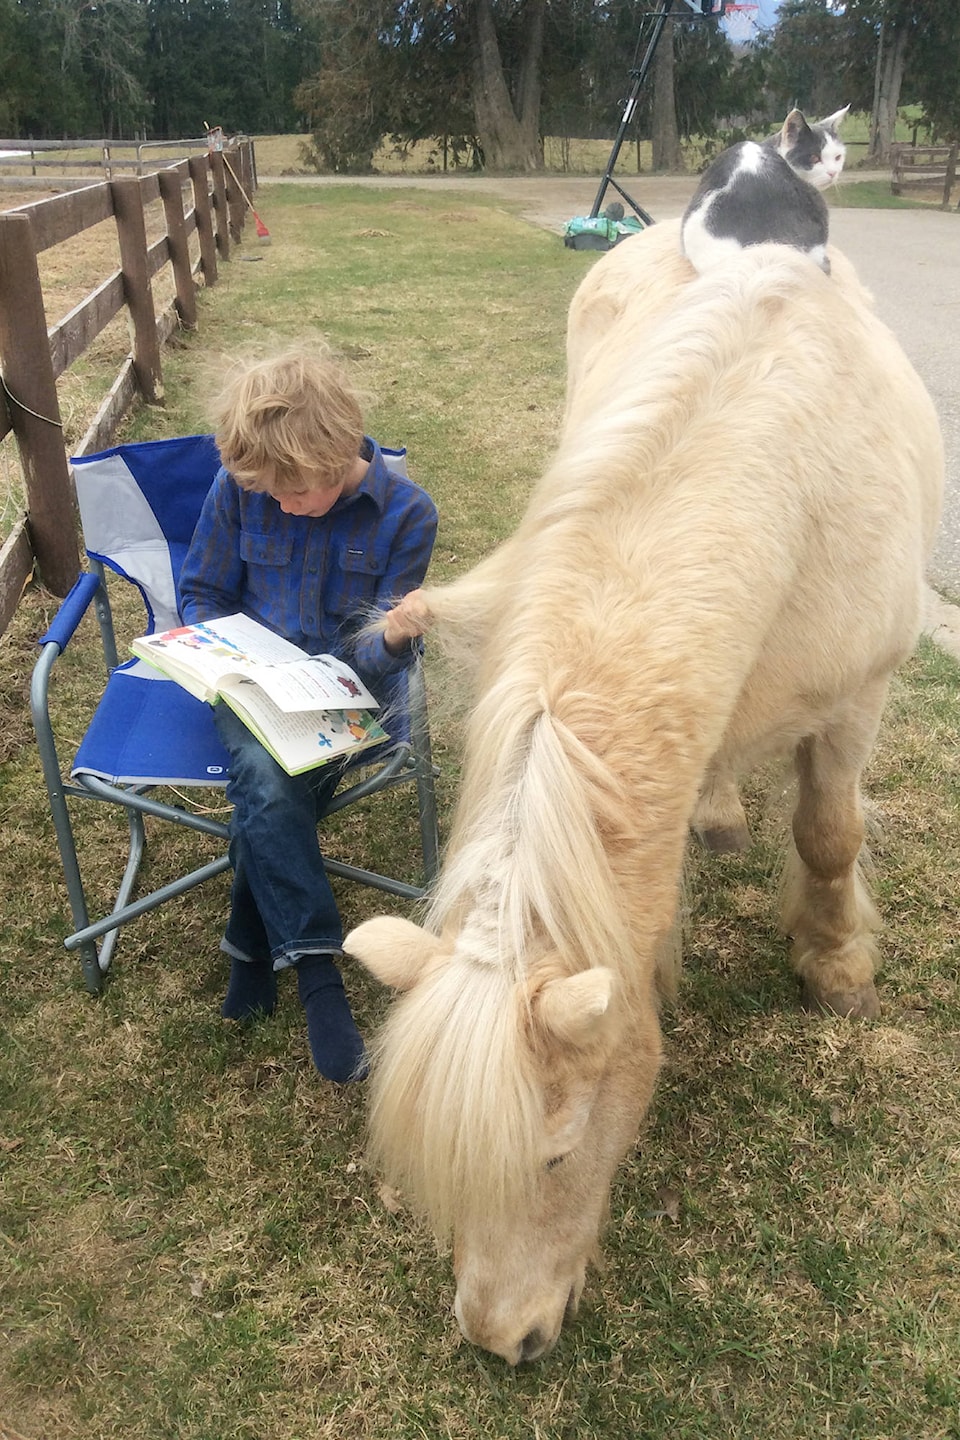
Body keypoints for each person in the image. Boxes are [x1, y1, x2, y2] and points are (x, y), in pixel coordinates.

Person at [179, 347, 437, 1082]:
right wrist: (228, 657)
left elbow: (375, 656)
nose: (280, 504)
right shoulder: (242, 491)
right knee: (264, 766)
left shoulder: (407, 515)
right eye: (266, 492)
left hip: (350, 692)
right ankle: (319, 973)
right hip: (249, 681)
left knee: (267, 784)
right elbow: (201, 591)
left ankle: (251, 942)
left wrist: (390, 636)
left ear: (334, 452)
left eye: (294, 492)